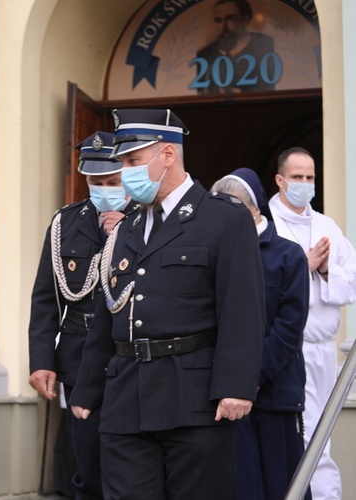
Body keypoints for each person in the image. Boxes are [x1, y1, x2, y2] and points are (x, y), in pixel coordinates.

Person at [70, 109, 265, 500]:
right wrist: (86, 389)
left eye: (132, 162)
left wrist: (236, 385)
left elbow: (242, 309)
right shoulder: (125, 228)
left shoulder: (222, 220)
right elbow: (109, 312)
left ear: (168, 155)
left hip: (192, 398)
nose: (124, 173)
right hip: (126, 397)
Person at [28, 131, 133, 500]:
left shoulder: (147, 221)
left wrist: (120, 234)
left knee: (130, 466)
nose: (105, 189)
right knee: (84, 466)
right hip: (78, 356)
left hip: (130, 359)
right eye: (96, 182)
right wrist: (42, 360)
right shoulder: (65, 223)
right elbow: (46, 299)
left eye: (113, 181)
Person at [211, 168, 311, 500]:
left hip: (275, 393)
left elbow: (288, 330)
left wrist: (250, 377)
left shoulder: (288, 255)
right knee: (241, 486)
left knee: (282, 484)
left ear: (255, 209)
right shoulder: (213, 255)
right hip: (227, 396)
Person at [269, 147, 356, 500]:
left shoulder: (327, 226)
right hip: (289, 350)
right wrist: (300, 266)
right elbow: (255, 284)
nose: (305, 184)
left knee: (324, 438)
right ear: (280, 180)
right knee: (305, 440)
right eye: (297, 177)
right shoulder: (267, 224)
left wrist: (324, 269)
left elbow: (351, 282)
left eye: (310, 178)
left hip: (323, 352)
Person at [196, 0, 275, 94]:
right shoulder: (204, 55)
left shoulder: (267, 47)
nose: (223, 27)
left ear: (245, 20)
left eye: (231, 19)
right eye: (218, 20)